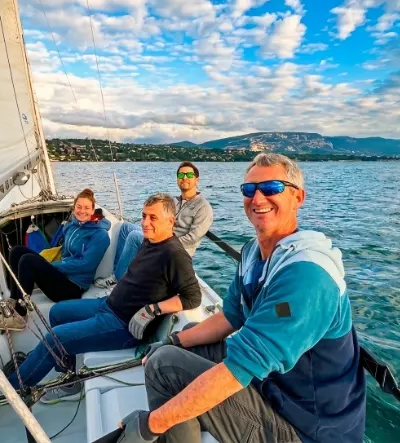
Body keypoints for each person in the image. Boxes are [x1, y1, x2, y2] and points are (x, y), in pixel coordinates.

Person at [118, 153, 366, 443]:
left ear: (298, 196)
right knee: (179, 343)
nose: (258, 199)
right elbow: (230, 316)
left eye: (272, 188)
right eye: (249, 190)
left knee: (164, 367)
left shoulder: (308, 275)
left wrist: (149, 425)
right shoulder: (252, 253)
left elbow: (242, 366)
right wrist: (174, 340)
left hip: (306, 427)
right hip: (272, 384)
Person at [0, 193, 202, 398]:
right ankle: (68, 377)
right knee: (58, 312)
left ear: (170, 221)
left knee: (56, 339)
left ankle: (13, 388)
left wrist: (153, 309)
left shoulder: (175, 255)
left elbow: (193, 297)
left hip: (123, 325)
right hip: (108, 305)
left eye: (153, 218)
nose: (145, 223)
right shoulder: (150, 240)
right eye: (144, 216)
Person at [0, 188, 111, 332]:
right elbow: (65, 251)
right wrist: (52, 266)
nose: (82, 211)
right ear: (74, 207)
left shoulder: (100, 235)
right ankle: (14, 302)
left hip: (72, 287)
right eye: (79, 206)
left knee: (28, 260)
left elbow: (86, 265)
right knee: (17, 251)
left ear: (93, 210)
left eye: (86, 208)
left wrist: (54, 266)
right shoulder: (73, 226)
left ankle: (20, 315)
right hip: (61, 276)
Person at [113, 162, 214, 279]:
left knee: (134, 236)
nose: (185, 178)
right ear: (177, 179)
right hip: (159, 236)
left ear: (197, 180)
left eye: (189, 175)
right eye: (181, 175)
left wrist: (163, 243)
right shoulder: (174, 201)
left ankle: (118, 280)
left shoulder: (203, 207)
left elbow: (193, 238)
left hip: (174, 251)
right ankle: (117, 271)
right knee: (125, 227)